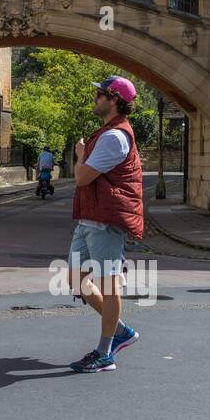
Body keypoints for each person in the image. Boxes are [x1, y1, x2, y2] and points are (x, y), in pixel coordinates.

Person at [67, 76, 143, 373]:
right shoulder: (107, 132)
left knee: (108, 286)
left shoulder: (115, 137)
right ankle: (121, 331)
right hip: (89, 219)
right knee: (77, 281)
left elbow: (82, 177)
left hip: (105, 221)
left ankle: (105, 352)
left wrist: (81, 156)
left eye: (100, 94)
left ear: (114, 100)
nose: (95, 98)